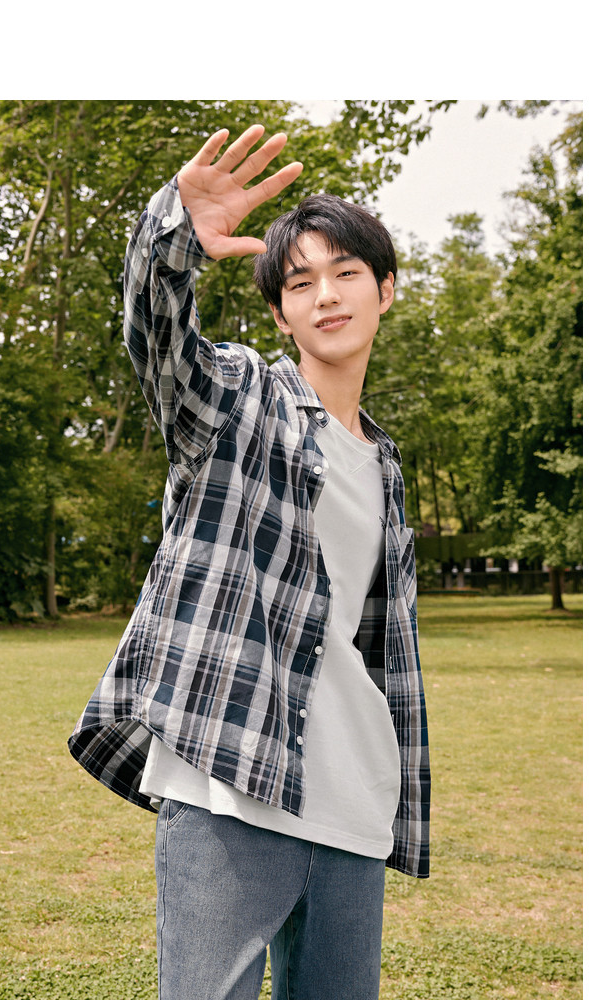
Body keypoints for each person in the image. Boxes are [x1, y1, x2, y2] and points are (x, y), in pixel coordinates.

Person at [68, 124, 430, 1000]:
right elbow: (159, 339)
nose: (326, 295)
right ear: (279, 314)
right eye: (299, 283)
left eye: (347, 273)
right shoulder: (240, 398)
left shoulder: (384, 466)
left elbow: (371, 648)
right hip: (229, 785)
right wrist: (173, 237)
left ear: (385, 290)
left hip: (353, 799)